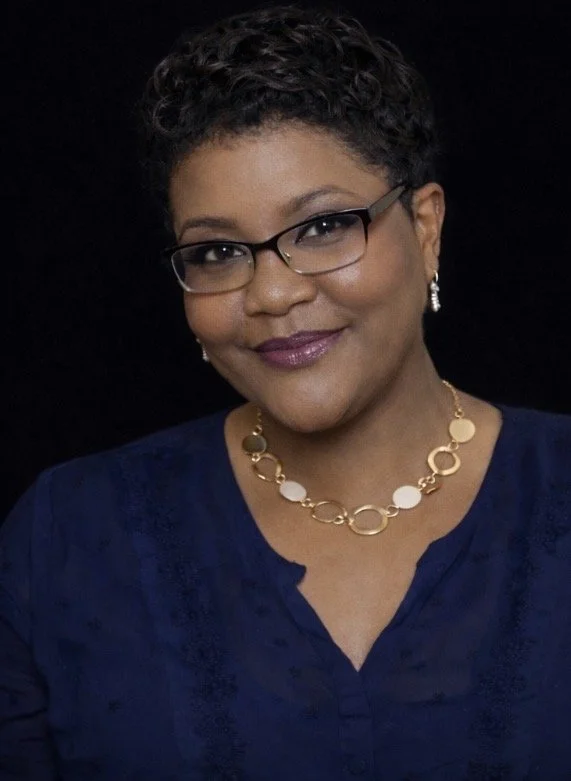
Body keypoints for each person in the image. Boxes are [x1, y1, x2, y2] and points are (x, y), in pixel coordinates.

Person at [1, 5, 570, 779]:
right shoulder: (66, 535)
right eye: (218, 251)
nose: (270, 293)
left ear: (425, 226)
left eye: (322, 227)